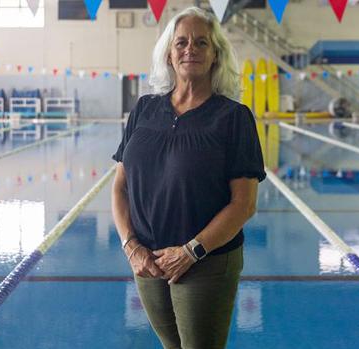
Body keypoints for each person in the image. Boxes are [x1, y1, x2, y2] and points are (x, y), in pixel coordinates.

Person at [111, 6, 266, 349]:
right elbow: (120, 188)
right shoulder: (145, 109)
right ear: (169, 54)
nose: (189, 49)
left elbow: (244, 204)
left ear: (216, 56)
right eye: (181, 42)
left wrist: (191, 251)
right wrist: (131, 245)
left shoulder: (233, 118)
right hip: (147, 261)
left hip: (205, 261)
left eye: (201, 43)